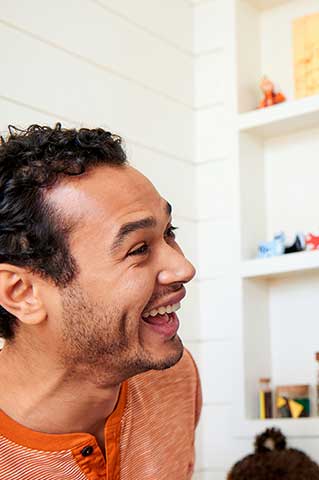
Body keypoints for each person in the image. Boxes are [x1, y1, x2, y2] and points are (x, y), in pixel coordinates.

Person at [0, 124, 201, 479]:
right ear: (23, 293)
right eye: (138, 249)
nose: (183, 267)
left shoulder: (175, 379)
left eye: (170, 233)